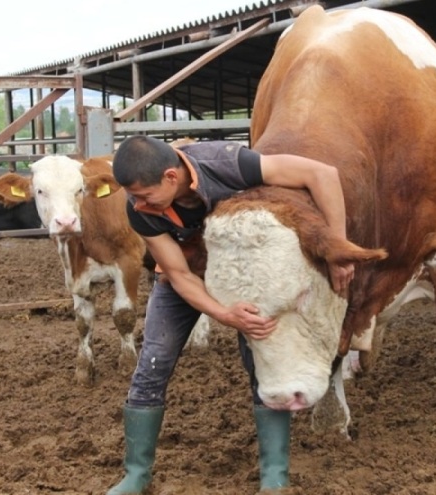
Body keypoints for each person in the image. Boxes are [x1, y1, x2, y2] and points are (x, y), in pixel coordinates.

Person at [107, 135, 355, 494]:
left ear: (171, 177)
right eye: (134, 197)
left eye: (144, 195)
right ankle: (136, 474)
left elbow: (322, 174)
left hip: (242, 276)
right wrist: (224, 314)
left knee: (260, 358)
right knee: (152, 363)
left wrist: (338, 247)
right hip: (187, 279)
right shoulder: (140, 210)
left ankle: (274, 476)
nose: (138, 203)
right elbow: (178, 275)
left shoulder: (226, 162)